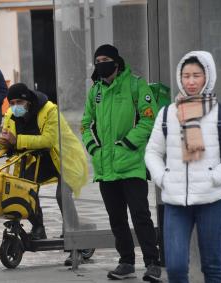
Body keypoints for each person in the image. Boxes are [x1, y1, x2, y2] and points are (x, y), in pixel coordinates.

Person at [145, 51, 221, 283]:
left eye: (197, 75)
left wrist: (215, 177)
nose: (191, 81)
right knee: (174, 268)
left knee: (212, 265)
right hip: (176, 202)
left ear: (208, 77)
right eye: (186, 76)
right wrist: (163, 178)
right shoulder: (167, 114)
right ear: (180, 78)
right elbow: (152, 152)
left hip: (213, 200)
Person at [81, 44, 161, 281]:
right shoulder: (95, 90)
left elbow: (149, 120)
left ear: (116, 61)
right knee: (116, 218)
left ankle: (152, 263)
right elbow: (86, 123)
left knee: (140, 215)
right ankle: (126, 262)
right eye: (97, 60)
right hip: (106, 169)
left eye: (105, 59)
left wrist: (127, 144)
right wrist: (93, 148)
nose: (100, 64)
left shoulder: (136, 84)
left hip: (132, 165)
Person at [0, 82, 89, 266]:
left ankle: (75, 240)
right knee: (23, 187)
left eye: (19, 102)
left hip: (65, 158)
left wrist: (17, 140)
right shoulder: (10, 115)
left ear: (28, 101)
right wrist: (4, 143)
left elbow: (48, 140)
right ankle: (38, 227)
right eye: (12, 102)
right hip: (42, 160)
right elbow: (7, 138)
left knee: (62, 195)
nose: (15, 106)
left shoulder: (49, 110)